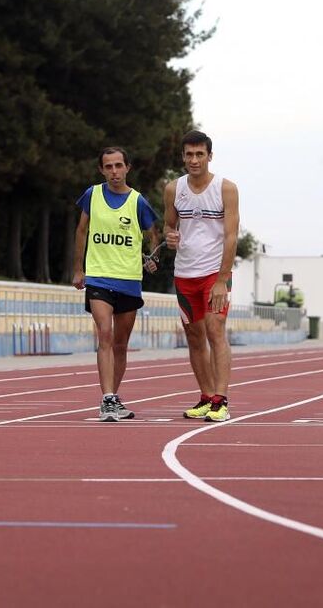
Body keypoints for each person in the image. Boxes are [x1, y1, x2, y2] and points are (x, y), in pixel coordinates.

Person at [73, 146, 159, 422]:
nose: (114, 172)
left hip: (129, 279)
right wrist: (78, 269)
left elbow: (152, 235)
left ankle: (114, 397)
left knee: (121, 343)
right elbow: (82, 230)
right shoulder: (92, 194)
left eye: (118, 166)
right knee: (105, 335)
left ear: (127, 168)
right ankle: (107, 398)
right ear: (101, 170)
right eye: (108, 167)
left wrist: (152, 257)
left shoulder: (138, 201)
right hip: (98, 276)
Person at [163, 130, 239, 422]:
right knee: (194, 337)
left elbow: (231, 237)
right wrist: (170, 238)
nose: (194, 160)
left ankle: (221, 399)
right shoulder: (173, 189)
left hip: (214, 273)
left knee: (215, 330)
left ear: (210, 156)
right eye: (189, 154)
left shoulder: (226, 188)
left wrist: (222, 278)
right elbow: (171, 227)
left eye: (199, 154)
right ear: (182, 157)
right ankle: (206, 397)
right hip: (185, 273)